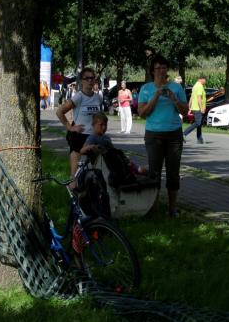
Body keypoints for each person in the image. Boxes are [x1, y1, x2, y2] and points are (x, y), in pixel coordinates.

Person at [137, 54, 189, 217]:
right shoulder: (146, 89)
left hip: (174, 135)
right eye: (158, 68)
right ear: (152, 71)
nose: (161, 71)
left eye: (164, 68)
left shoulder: (176, 88)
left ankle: (172, 209)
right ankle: (153, 208)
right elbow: (142, 113)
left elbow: (185, 112)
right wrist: (156, 95)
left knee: (173, 173)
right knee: (155, 172)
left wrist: (174, 99)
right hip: (154, 135)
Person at [56, 67, 105, 178]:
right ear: (81, 81)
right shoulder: (78, 97)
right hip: (79, 137)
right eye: (87, 78)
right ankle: (73, 187)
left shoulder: (98, 98)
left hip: (94, 137)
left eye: (92, 78)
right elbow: (59, 112)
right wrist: (70, 127)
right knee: (75, 175)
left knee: (94, 174)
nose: (90, 81)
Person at [80, 113, 146, 176]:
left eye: (105, 125)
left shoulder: (106, 137)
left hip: (113, 161)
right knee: (136, 170)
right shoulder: (92, 137)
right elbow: (81, 151)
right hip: (103, 165)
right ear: (93, 125)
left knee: (140, 169)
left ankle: (135, 170)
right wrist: (91, 147)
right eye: (101, 125)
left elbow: (113, 151)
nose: (104, 127)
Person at [183, 76, 207, 144]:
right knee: (198, 123)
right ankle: (184, 133)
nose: (205, 82)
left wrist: (189, 106)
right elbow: (199, 98)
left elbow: (191, 97)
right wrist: (201, 108)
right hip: (197, 108)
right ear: (202, 79)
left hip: (194, 107)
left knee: (199, 123)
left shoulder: (195, 86)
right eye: (205, 80)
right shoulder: (199, 86)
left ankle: (200, 139)